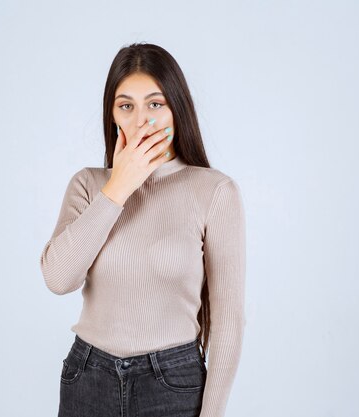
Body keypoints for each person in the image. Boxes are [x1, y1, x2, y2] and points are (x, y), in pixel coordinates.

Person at [40, 42, 246, 417]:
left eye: (155, 103)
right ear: (113, 115)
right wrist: (118, 187)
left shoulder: (214, 191)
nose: (140, 120)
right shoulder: (89, 185)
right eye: (126, 105)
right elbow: (58, 279)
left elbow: (229, 318)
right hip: (88, 377)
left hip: (172, 382)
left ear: (176, 109)